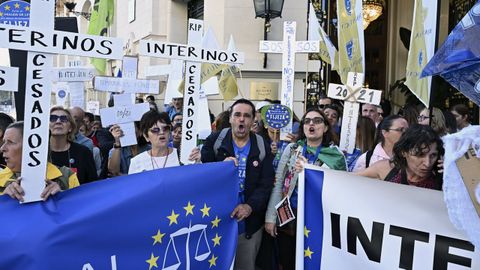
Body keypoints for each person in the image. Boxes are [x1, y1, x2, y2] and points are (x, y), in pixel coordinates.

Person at [265, 108, 346, 270]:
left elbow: (341, 191)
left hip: (317, 220)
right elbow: (279, 182)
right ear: (302, 127)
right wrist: (271, 217)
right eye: (307, 121)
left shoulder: (336, 156)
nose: (311, 124)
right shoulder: (292, 149)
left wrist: (309, 170)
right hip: (289, 217)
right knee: (287, 262)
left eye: (317, 121)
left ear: (326, 127)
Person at [201, 99, 274, 270]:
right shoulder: (214, 141)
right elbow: (203, 177)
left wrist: (249, 206)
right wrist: (220, 168)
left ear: (253, 120)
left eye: (246, 116)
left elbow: (266, 184)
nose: (242, 119)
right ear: (231, 119)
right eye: (237, 115)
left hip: (249, 224)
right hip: (218, 220)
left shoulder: (262, 145)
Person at [1, 122, 79, 202]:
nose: (2, 148)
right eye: (4, 142)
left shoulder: (66, 177)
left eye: (10, 142)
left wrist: (61, 197)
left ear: (33, 146)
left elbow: (81, 211)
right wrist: (4, 201)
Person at [357, 124, 444, 190]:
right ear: (404, 152)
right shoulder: (386, 169)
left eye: (433, 155)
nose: (427, 163)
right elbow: (349, 181)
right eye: (419, 155)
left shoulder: (443, 178)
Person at [128, 111, 200, 173]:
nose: (162, 132)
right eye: (155, 130)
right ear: (146, 136)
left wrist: (197, 163)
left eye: (166, 128)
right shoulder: (136, 162)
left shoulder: (184, 157)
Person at [49, 107, 98, 184]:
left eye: (64, 119)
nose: (58, 121)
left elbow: (93, 185)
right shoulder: (37, 152)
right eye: (53, 118)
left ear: (70, 128)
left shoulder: (83, 153)